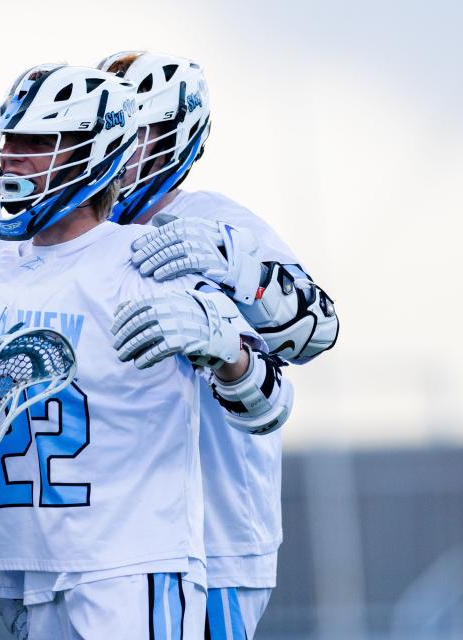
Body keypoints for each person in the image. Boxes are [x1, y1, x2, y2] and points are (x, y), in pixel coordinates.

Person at [0, 64, 294, 639]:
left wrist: (226, 349)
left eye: (37, 142)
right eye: (7, 139)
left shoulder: (148, 258)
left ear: (92, 154)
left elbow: (271, 402)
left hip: (125, 568)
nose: (10, 157)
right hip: (12, 570)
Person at [99, 50, 340, 639]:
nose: (124, 146)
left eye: (142, 129)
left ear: (176, 134)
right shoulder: (89, 230)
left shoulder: (216, 219)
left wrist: (243, 268)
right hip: (118, 536)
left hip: (217, 531)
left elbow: (319, 329)